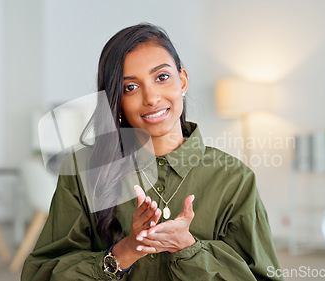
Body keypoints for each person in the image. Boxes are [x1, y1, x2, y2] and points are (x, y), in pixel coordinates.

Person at [21, 23, 283, 281]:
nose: (151, 97)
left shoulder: (234, 179)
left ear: (182, 81)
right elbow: (40, 275)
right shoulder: (82, 169)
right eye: (130, 87)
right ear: (117, 101)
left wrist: (188, 249)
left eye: (161, 77)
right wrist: (124, 252)